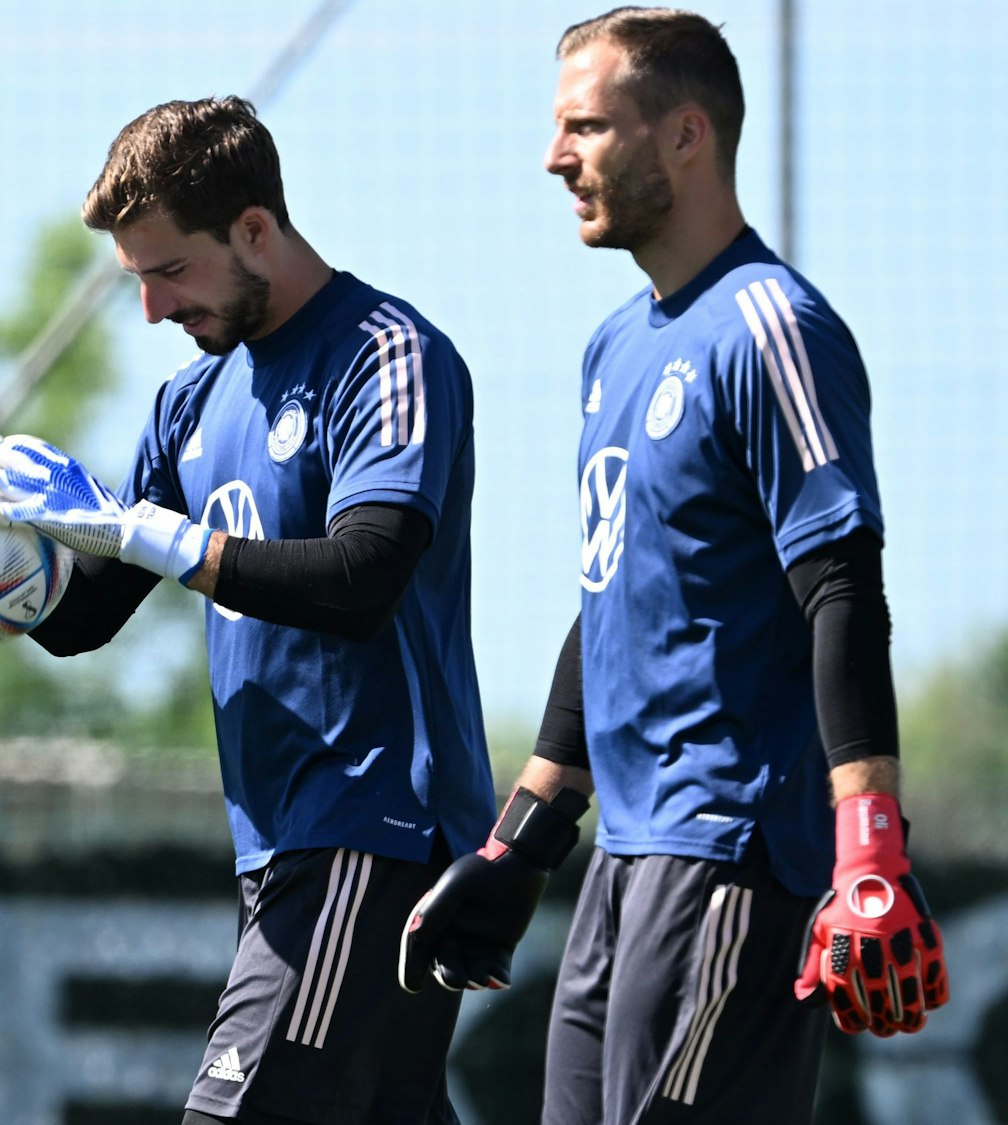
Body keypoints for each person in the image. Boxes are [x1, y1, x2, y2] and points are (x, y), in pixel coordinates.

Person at [399, 8, 949, 1123]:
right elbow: (611, 606)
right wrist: (521, 844)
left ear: (684, 135)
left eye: (585, 128)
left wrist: (868, 855)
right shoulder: (616, 347)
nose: (554, 157)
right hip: (621, 863)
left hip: (730, 858)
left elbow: (840, 589)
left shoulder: (771, 326)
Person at [0, 96, 494, 1124]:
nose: (150, 309)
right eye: (135, 280)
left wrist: (156, 536)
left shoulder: (386, 355)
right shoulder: (190, 404)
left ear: (254, 230)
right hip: (279, 845)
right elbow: (85, 619)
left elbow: (364, 577)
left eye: (168, 271)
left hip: (371, 826)